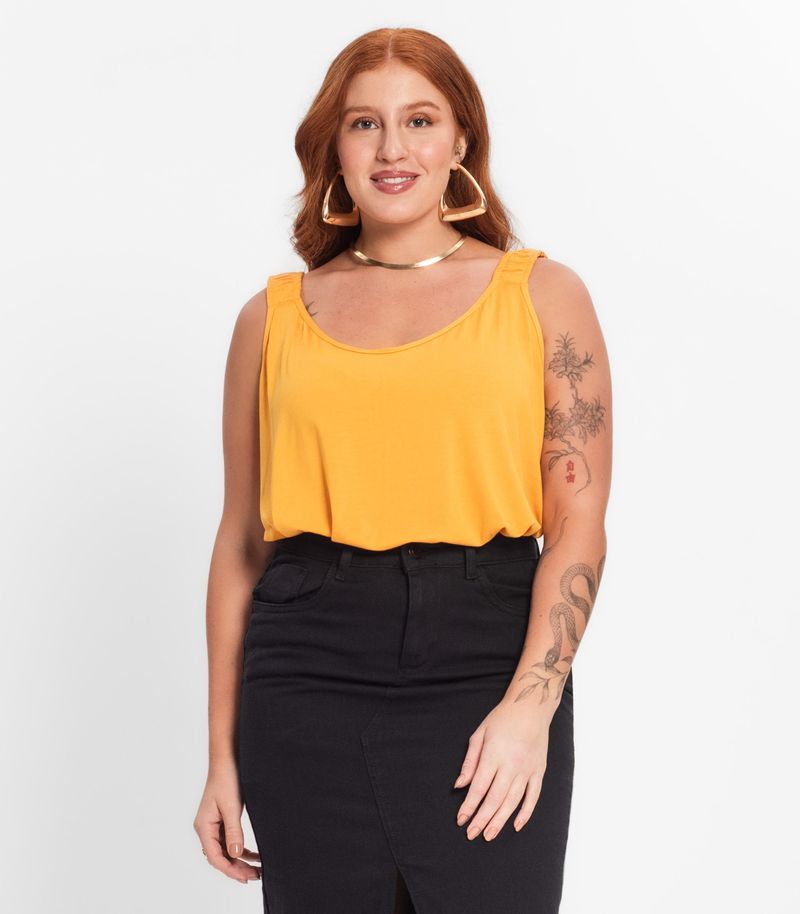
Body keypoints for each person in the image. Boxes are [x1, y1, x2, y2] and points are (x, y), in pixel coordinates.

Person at [193, 26, 612, 914]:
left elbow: (577, 521)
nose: (393, 148)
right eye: (364, 123)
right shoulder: (271, 320)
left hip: (485, 660)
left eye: (420, 120)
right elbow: (240, 545)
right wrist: (220, 758)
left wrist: (531, 705)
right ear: (333, 147)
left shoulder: (542, 297)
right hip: (305, 674)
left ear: (461, 140)